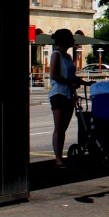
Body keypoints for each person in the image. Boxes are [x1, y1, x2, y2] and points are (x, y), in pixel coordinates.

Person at [49, 28, 79, 167]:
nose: (73, 41)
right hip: (59, 94)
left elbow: (72, 76)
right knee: (59, 128)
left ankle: (60, 156)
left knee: (64, 128)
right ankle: (58, 158)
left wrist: (84, 82)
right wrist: (69, 82)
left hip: (69, 94)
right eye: (70, 39)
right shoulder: (56, 55)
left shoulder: (68, 57)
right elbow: (54, 75)